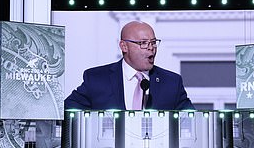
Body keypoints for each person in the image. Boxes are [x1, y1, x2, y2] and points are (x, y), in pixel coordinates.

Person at [65, 20, 194, 110]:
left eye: (153, 42)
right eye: (143, 43)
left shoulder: (171, 82)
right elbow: (67, 111)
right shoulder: (97, 78)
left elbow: (191, 120)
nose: (151, 48)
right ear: (124, 46)